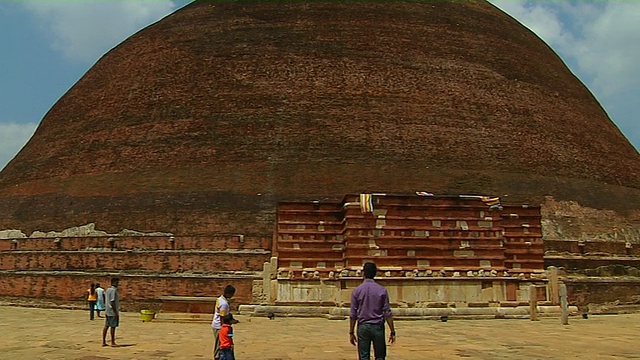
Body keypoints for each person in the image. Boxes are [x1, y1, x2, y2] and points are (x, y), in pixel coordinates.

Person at [349, 262, 396, 360]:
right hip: (377, 326)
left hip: (363, 326)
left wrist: (351, 332)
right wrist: (392, 331)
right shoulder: (382, 290)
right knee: (380, 356)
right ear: (375, 273)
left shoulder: (357, 291)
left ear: (363, 273)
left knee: (364, 356)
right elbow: (387, 312)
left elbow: (353, 314)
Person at [212, 285, 239, 360]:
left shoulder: (220, 299)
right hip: (219, 326)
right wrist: (223, 328)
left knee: (219, 344)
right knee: (219, 345)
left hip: (217, 324)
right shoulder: (224, 304)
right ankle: (217, 357)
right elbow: (222, 317)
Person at [102, 277, 120, 347]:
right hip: (112, 311)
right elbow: (112, 301)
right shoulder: (113, 291)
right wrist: (115, 312)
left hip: (107, 311)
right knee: (113, 327)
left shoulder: (108, 290)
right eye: (117, 282)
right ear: (113, 283)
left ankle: (104, 341)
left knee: (106, 326)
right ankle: (112, 341)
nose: (117, 284)